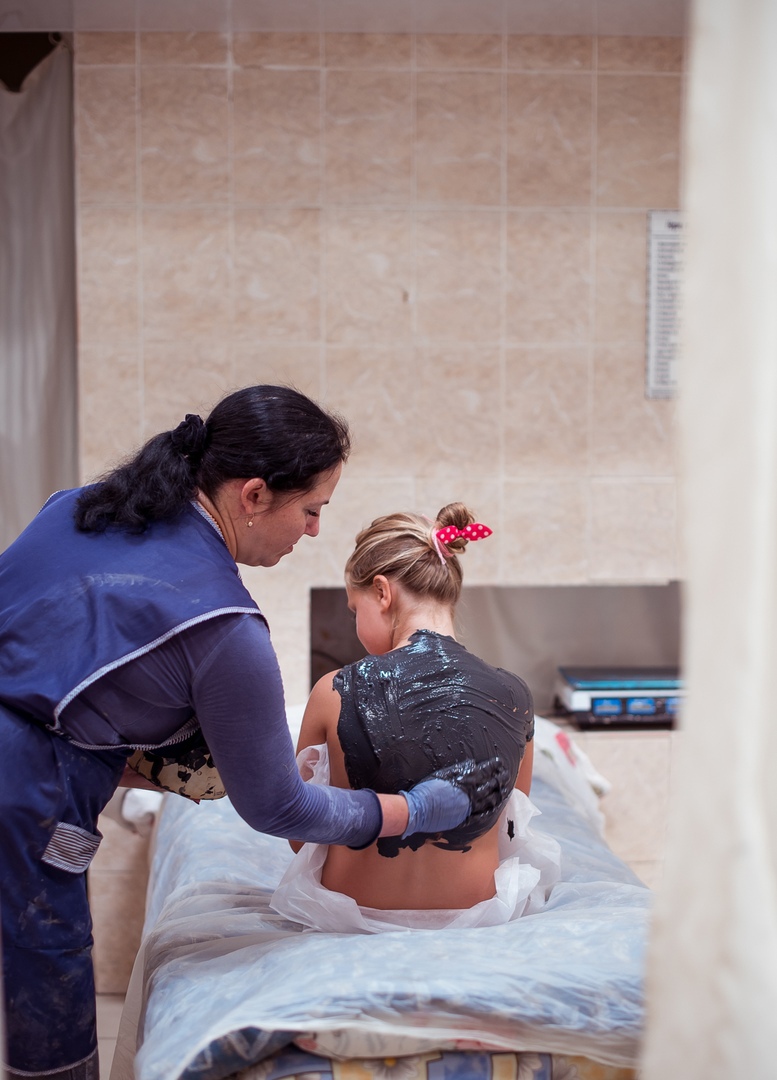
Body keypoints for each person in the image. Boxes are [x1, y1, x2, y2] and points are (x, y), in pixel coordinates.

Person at [0, 386, 510, 1080]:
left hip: (31, 765)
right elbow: (281, 809)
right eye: (311, 510)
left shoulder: (79, 508)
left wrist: (129, 754)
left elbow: (55, 663)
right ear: (253, 495)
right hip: (23, 799)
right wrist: (411, 810)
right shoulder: (223, 628)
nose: (314, 531)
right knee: (43, 990)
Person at [271, 503, 561, 934]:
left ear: (382, 592)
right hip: (475, 922)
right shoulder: (515, 695)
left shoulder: (333, 691)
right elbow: (510, 825)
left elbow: (301, 835)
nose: (355, 622)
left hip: (352, 920)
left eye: (354, 609)